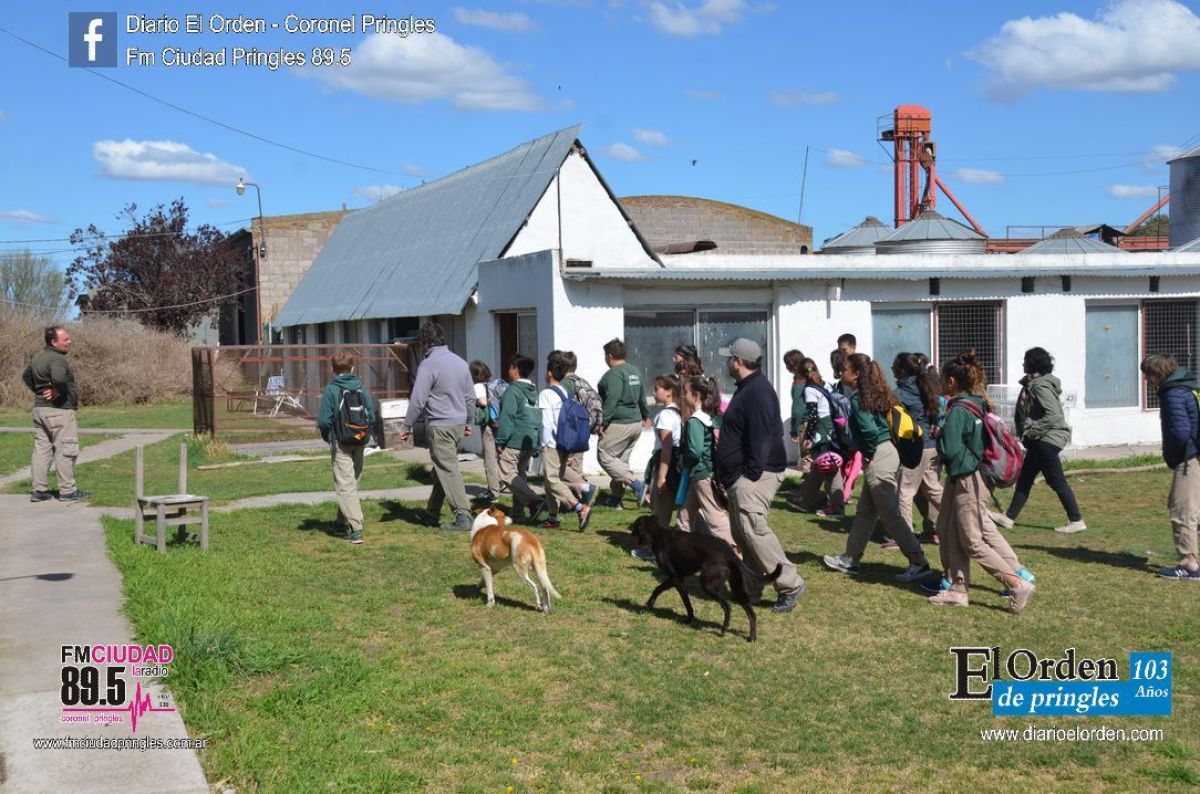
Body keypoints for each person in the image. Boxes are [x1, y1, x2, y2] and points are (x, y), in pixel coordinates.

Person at [927, 351, 1035, 612]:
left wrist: (939, 434)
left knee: (972, 539)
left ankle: (1016, 584)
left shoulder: (958, 411)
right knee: (947, 528)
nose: (940, 382)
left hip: (968, 479)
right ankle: (958, 589)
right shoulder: (976, 403)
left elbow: (951, 449)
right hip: (963, 478)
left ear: (951, 381)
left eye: (943, 378)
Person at [822, 353, 935, 582]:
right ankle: (850, 559)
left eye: (844, 370)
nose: (840, 373)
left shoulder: (858, 398)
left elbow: (871, 432)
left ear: (855, 374)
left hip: (880, 456)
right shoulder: (879, 393)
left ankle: (918, 561)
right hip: (888, 452)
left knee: (890, 515)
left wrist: (869, 455)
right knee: (865, 512)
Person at [714, 338, 806, 613]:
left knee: (754, 531)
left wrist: (749, 474)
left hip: (757, 474)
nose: (727, 362)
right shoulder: (748, 388)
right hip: (743, 475)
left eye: (729, 358)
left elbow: (764, 436)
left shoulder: (758, 392)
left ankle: (790, 583)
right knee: (742, 534)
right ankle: (752, 588)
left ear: (739, 362)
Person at [990, 347, 1087, 534]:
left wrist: (1032, 430)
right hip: (1040, 440)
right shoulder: (1034, 383)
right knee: (1025, 479)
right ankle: (1009, 517)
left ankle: (1076, 520)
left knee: (1056, 480)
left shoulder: (1040, 386)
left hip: (1046, 440)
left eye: (1025, 360)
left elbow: (1053, 416)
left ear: (1032, 363)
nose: (1022, 364)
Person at [399, 322, 476, 532]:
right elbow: (470, 397)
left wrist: (406, 426)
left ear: (425, 343)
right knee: (442, 469)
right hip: (458, 425)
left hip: (440, 425)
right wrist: (470, 421)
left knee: (447, 469)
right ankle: (432, 512)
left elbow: (417, 400)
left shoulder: (428, 365)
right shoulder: (460, 363)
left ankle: (463, 515)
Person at [1141, 353, 1200, 580]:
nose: (1146, 380)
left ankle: (1189, 565)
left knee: (1182, 510)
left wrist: (1175, 457)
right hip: (1195, 455)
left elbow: (1180, 432)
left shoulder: (1172, 393)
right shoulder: (1188, 386)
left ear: (1158, 373)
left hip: (1188, 458)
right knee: (1193, 509)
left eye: (1148, 375)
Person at [23, 326, 88, 502]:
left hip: (39, 410)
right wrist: (56, 389)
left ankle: (39, 491)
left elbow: (26, 376)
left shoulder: (38, 356)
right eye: (65, 339)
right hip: (59, 411)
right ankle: (68, 491)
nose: (70, 342)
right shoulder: (57, 359)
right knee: (66, 448)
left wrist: (39, 391)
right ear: (53, 342)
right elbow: (59, 378)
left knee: (41, 451)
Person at [317, 352, 376, 544]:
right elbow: (371, 415)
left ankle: (356, 528)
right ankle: (341, 521)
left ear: (332, 369)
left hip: (341, 441)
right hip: (360, 439)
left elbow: (324, 421)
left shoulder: (331, 390)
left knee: (345, 484)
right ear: (352, 368)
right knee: (352, 481)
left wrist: (329, 437)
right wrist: (366, 434)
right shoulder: (361, 387)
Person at [537, 351, 594, 530]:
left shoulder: (546, 393)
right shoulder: (564, 391)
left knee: (552, 480)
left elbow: (546, 422)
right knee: (552, 481)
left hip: (552, 443)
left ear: (550, 373)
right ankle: (553, 518)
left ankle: (580, 507)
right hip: (565, 443)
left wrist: (544, 444)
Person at [680, 375, 738, 553]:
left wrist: (684, 460)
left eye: (685, 393)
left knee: (715, 517)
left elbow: (695, 451)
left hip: (701, 475)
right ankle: (682, 551)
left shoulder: (695, 421)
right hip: (701, 474)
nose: (683, 396)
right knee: (685, 516)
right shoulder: (710, 418)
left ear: (696, 395)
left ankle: (734, 553)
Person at [893, 353, 944, 544]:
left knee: (904, 492)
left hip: (915, 447)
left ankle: (905, 537)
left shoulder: (900, 393)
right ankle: (958, 516)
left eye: (894, 366)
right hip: (932, 446)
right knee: (934, 490)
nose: (892, 369)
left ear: (903, 371)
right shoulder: (928, 386)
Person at [786, 358, 845, 516]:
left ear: (800, 373)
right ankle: (805, 501)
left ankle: (837, 507)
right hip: (831, 427)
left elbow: (813, 415)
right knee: (818, 466)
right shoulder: (824, 384)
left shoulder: (810, 389)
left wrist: (810, 438)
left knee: (829, 466)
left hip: (822, 428)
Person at [597, 338, 650, 507]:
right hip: (635, 423)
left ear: (610, 355)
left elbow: (612, 398)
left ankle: (636, 484)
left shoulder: (614, 374)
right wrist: (645, 415)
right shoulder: (634, 371)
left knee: (604, 454)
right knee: (620, 461)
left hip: (619, 422)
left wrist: (603, 422)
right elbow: (642, 396)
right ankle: (616, 499)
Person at [495, 354, 544, 524]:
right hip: (530, 440)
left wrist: (500, 440)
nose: (508, 370)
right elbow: (538, 417)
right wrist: (537, 443)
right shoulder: (534, 391)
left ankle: (534, 501)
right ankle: (518, 515)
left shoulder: (513, 390)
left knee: (506, 472)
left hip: (515, 440)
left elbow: (507, 417)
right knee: (519, 477)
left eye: (510, 367)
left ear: (515, 369)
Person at [560, 351, 600, 509]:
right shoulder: (583, 382)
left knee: (562, 467)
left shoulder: (565, 384)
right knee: (575, 467)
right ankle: (579, 501)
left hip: (569, 431)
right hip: (583, 431)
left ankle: (585, 489)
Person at [647, 374, 684, 530]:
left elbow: (666, 446)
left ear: (669, 391)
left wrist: (662, 476)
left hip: (666, 463)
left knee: (660, 509)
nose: (654, 393)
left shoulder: (665, 415)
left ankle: (655, 546)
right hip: (677, 463)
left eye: (657, 389)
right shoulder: (680, 412)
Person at [469, 360, 500, 503]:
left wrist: (473, 401)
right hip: (498, 422)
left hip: (488, 424)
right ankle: (500, 485)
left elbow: (482, 402)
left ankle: (494, 491)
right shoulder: (492, 385)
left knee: (489, 457)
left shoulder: (478, 386)